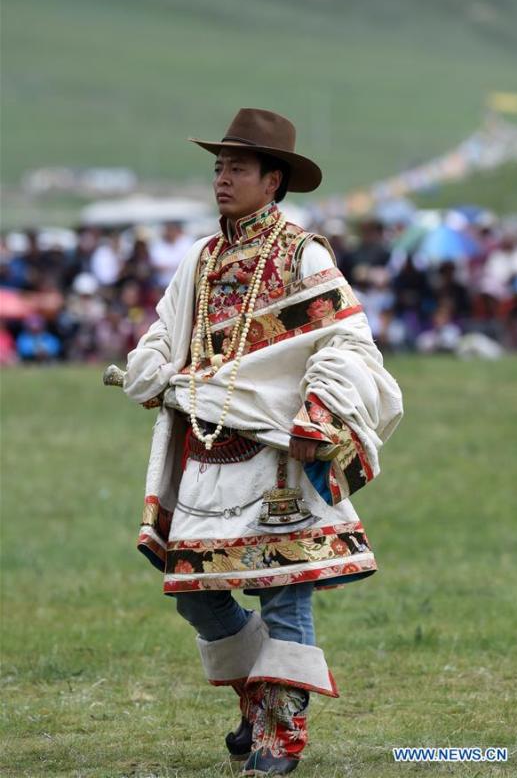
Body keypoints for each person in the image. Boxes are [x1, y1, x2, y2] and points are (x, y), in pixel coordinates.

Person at [122, 108, 403, 775]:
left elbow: (344, 342)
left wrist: (319, 412)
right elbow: (165, 332)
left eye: (237, 169)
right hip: (207, 449)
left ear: (272, 181)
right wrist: (154, 368)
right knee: (193, 587)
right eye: (218, 167)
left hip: (280, 450)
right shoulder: (200, 257)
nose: (222, 179)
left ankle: (281, 732)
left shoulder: (301, 255)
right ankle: (257, 697)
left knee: (281, 587)